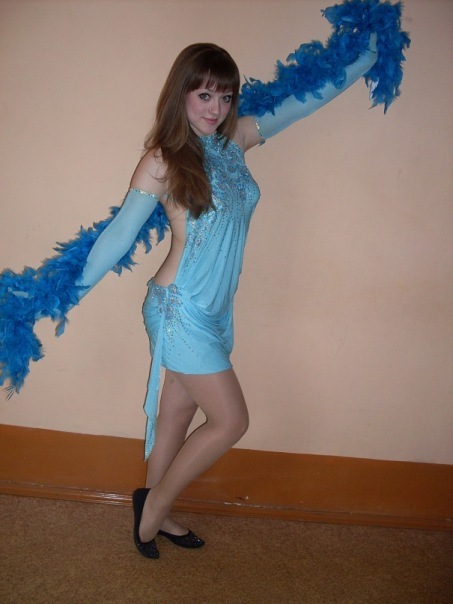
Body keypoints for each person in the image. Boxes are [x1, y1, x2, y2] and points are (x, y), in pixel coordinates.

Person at [75, 37, 379, 558]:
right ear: (181, 95)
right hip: (178, 308)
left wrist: (368, 56)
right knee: (231, 420)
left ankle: (157, 509)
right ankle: (152, 509)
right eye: (204, 95)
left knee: (176, 414)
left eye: (225, 96)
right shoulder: (162, 159)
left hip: (216, 311)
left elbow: (307, 101)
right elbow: (119, 235)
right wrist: (66, 293)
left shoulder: (236, 138)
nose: (215, 108)